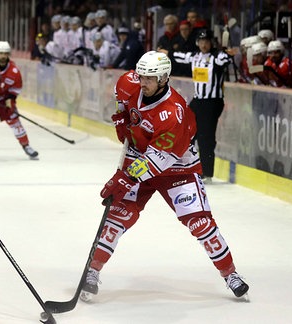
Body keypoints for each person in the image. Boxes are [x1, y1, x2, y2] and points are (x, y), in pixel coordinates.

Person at [79, 52, 249, 303]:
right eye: (141, 76)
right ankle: (92, 272)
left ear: (163, 79)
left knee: (200, 223)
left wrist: (123, 180)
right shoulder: (129, 83)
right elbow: (122, 105)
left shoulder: (174, 113)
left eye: (150, 78)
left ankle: (230, 274)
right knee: (117, 217)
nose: (142, 82)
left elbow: (158, 161)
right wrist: (121, 117)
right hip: (139, 157)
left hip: (177, 169)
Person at [172, 29, 235, 183]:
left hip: (212, 102)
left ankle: (206, 173)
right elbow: (179, 56)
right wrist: (167, 53)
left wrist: (228, 53)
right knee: (187, 131)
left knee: (206, 137)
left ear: (211, 42)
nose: (204, 44)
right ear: (197, 43)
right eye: (201, 41)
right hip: (198, 100)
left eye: (206, 41)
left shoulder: (216, 56)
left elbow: (225, 60)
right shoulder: (195, 56)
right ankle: (186, 167)